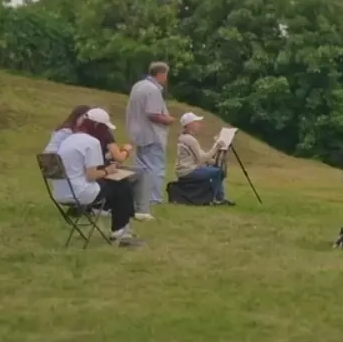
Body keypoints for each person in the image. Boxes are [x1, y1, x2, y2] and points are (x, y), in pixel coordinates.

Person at [52, 109, 141, 247]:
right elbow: (91, 175)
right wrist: (108, 170)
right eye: (105, 128)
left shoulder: (69, 139)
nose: (106, 133)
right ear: (96, 127)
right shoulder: (92, 142)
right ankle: (121, 231)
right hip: (80, 193)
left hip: (61, 191)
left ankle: (122, 225)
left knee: (116, 185)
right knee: (121, 184)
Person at [126, 61, 174, 220]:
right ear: (161, 74)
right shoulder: (152, 90)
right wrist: (168, 119)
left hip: (137, 133)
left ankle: (141, 198)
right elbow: (152, 113)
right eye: (166, 75)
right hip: (152, 134)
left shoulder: (138, 86)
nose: (166, 79)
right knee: (155, 167)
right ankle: (154, 198)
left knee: (141, 168)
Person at [175, 112, 231, 205]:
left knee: (217, 170)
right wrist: (216, 147)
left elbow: (203, 157)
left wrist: (216, 161)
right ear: (190, 125)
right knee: (218, 172)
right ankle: (215, 199)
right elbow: (201, 159)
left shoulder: (186, 138)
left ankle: (219, 198)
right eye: (196, 122)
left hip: (186, 170)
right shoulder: (189, 139)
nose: (199, 125)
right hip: (188, 171)